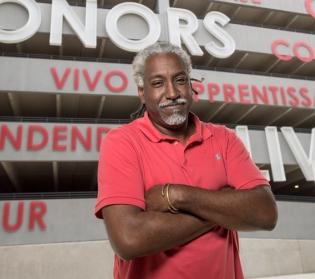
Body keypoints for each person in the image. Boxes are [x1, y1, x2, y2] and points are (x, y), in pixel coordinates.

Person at [95, 42, 277, 279]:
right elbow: (129, 239)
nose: (172, 93)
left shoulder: (224, 139)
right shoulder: (122, 143)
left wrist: (176, 195)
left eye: (180, 80)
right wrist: (223, 206)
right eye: (158, 83)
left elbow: (265, 213)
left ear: (191, 86)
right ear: (142, 92)